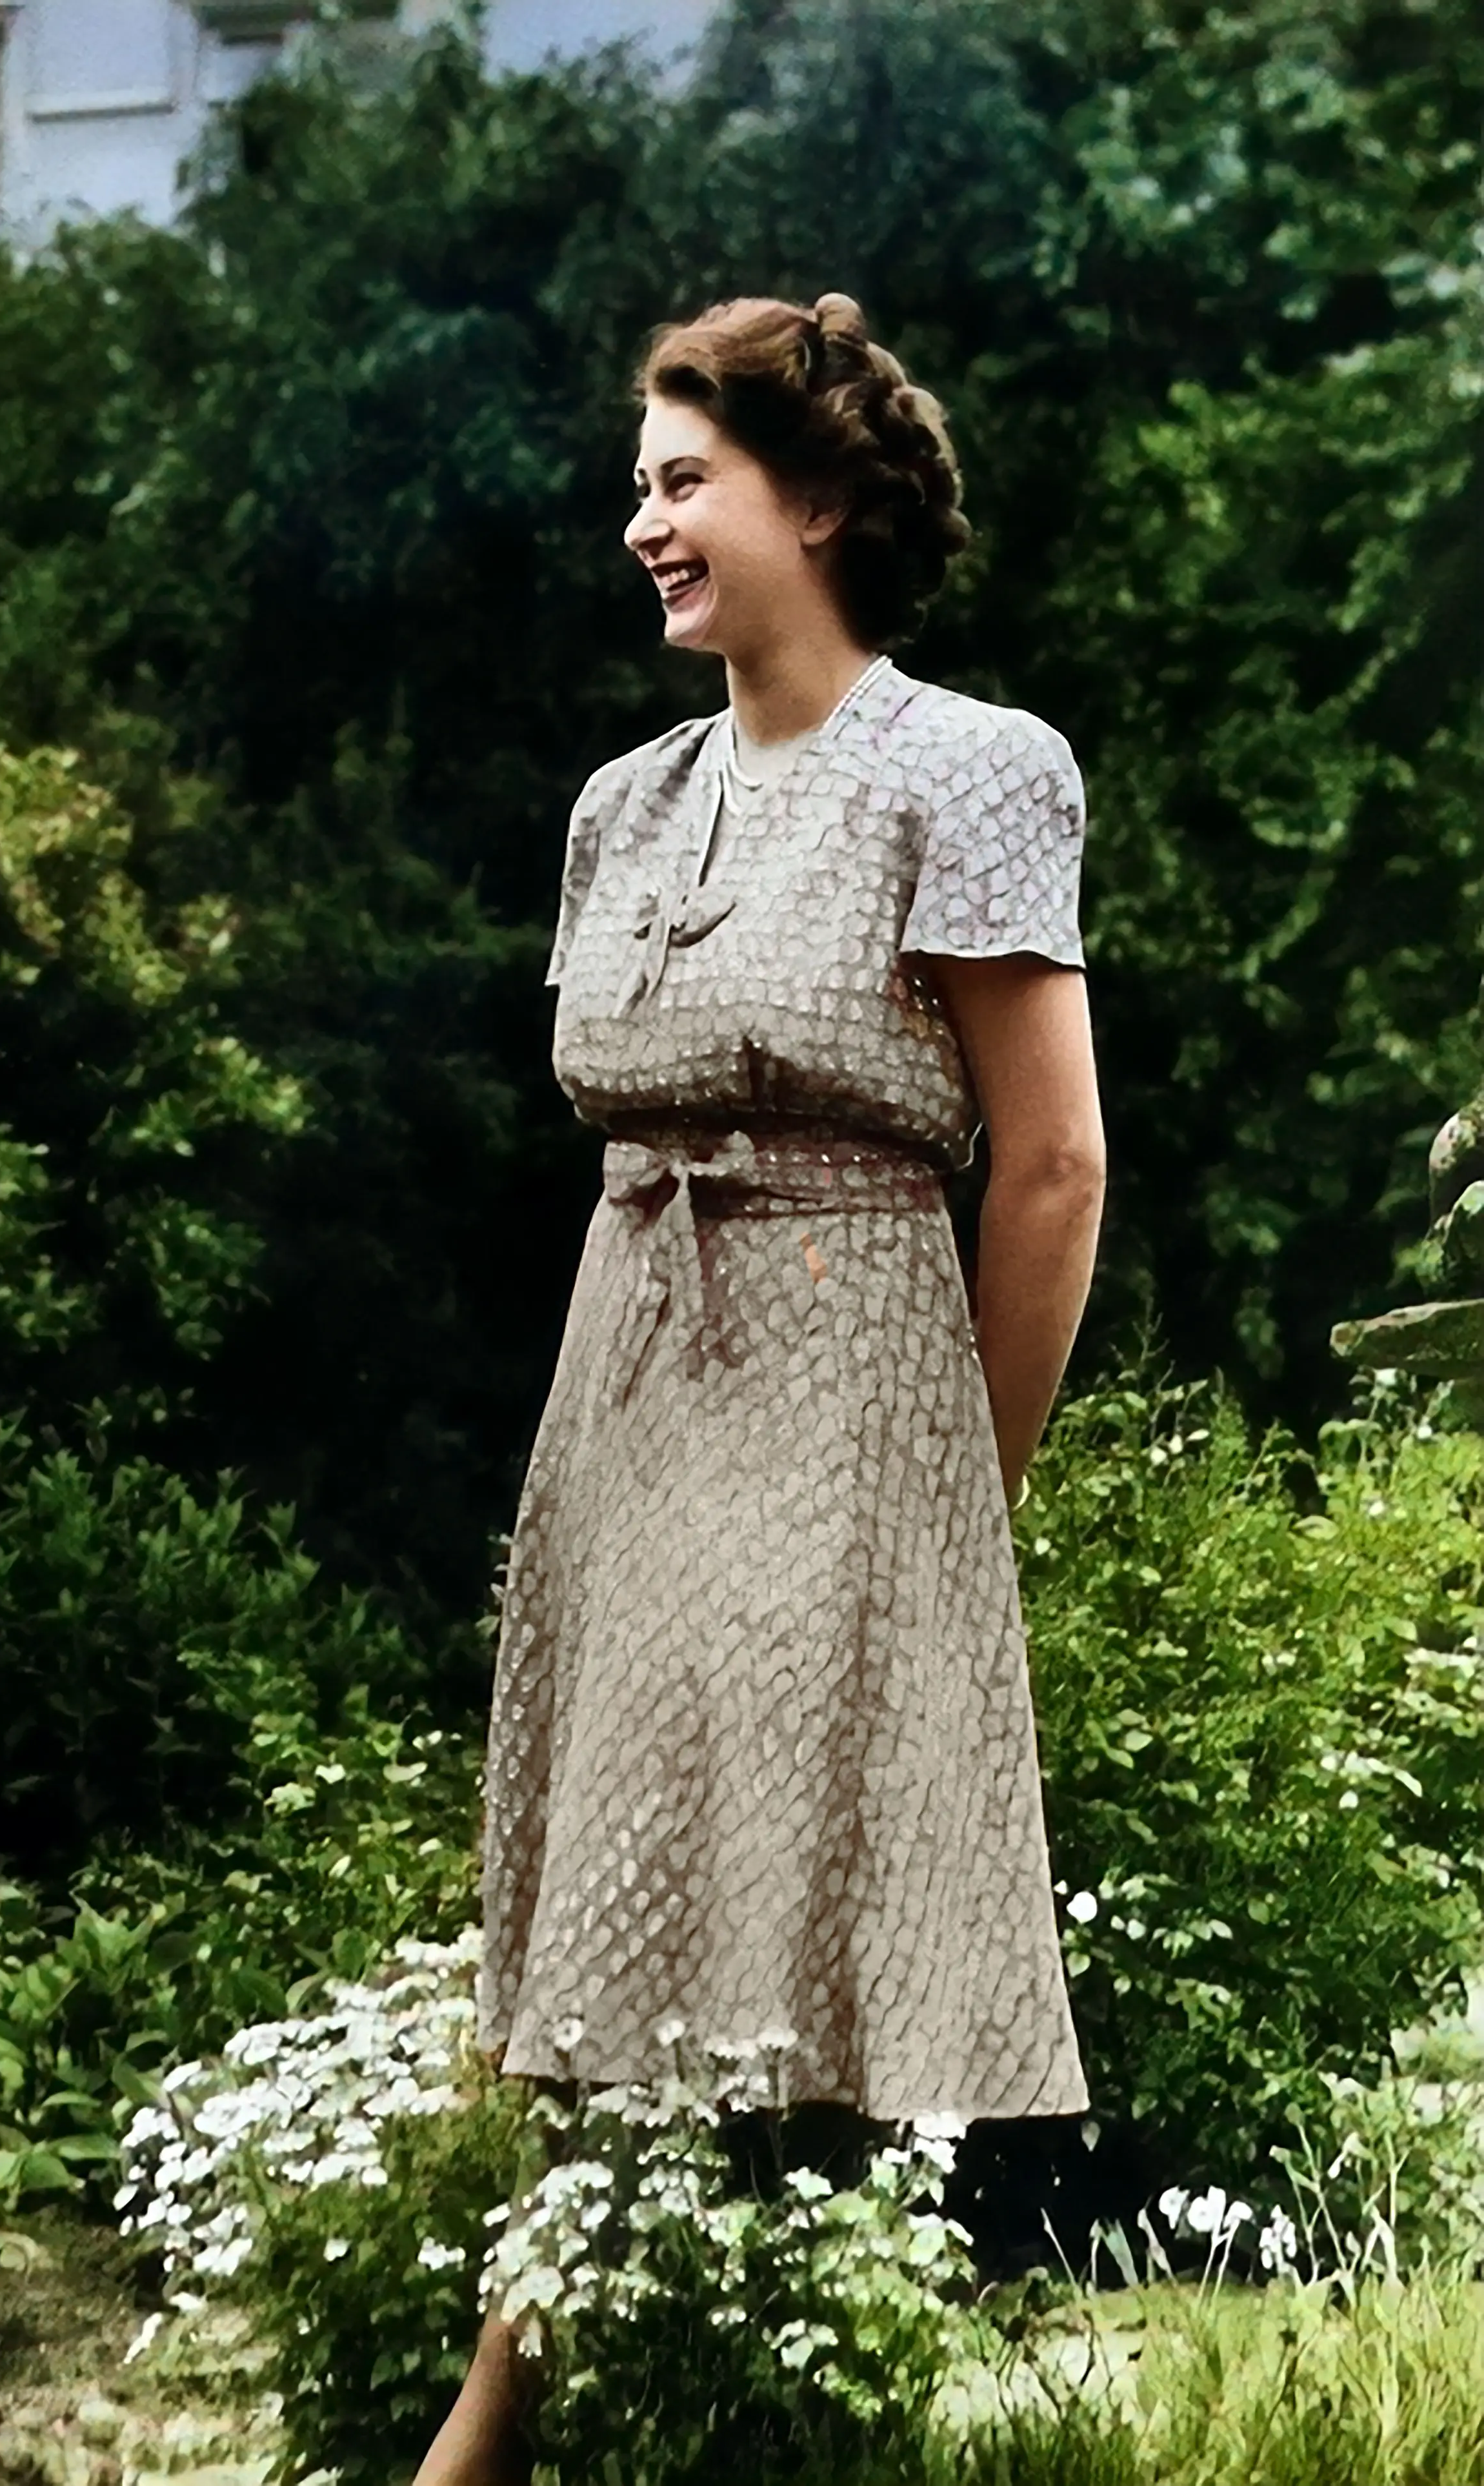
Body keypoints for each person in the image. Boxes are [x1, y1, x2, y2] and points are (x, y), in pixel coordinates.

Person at [415, 292, 1105, 2485]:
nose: (644, 522)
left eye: (682, 480)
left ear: (812, 501)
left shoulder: (973, 768)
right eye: (640, 485)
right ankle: (682, 2399)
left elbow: (1053, 1164)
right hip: (627, 1379)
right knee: (627, 1897)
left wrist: (961, 1488)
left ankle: (527, 2422)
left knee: (772, 1906)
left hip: (848, 1379)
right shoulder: (624, 803)